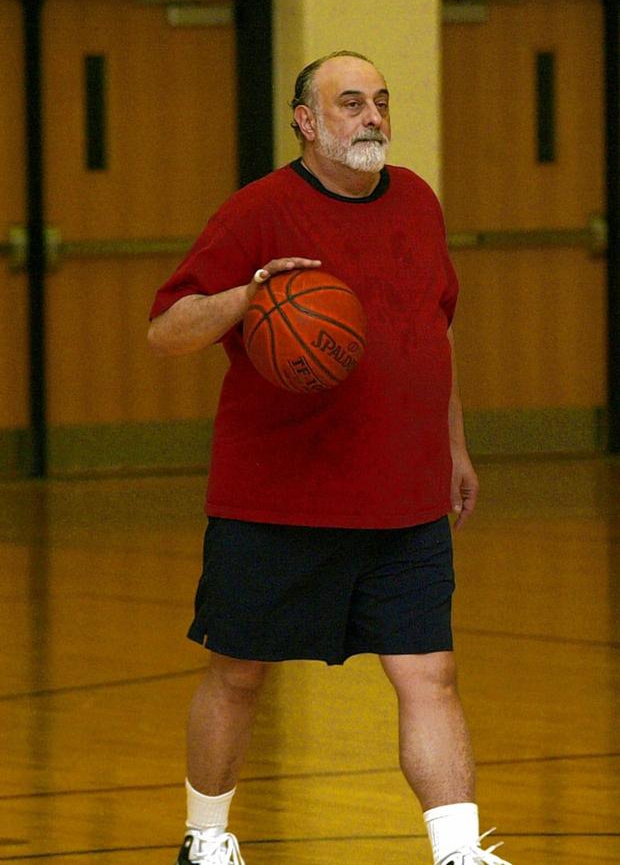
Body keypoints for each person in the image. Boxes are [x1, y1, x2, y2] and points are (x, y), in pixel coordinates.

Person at [148, 51, 510, 865]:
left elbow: (434, 332)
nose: (372, 116)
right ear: (306, 122)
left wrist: (453, 445)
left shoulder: (416, 199)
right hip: (277, 499)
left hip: (404, 496)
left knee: (431, 677)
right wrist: (248, 297)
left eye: (380, 100)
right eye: (350, 103)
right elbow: (166, 331)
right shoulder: (257, 212)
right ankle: (205, 840)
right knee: (238, 677)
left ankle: (457, 851)